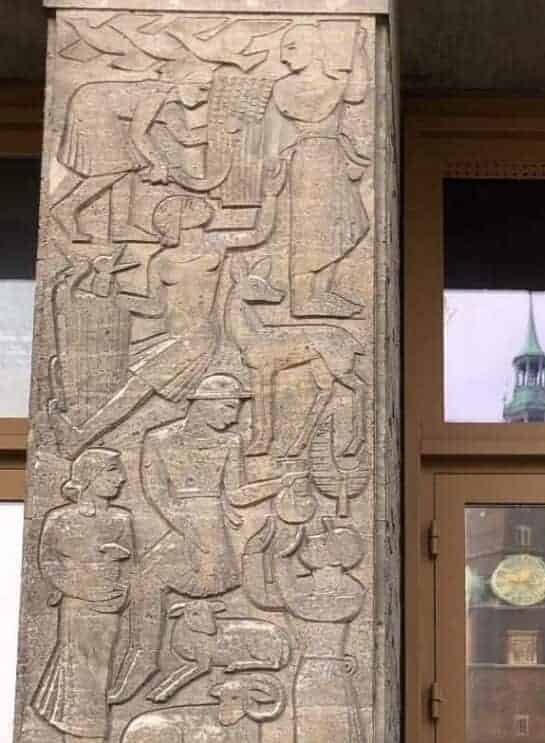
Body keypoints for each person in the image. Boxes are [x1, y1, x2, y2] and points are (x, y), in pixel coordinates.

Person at [48, 173, 285, 460]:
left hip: (197, 339)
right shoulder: (161, 261)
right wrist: (113, 293)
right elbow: (154, 308)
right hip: (171, 338)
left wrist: (271, 196)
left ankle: (79, 437)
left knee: (134, 394)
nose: (196, 204)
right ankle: (82, 438)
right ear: (177, 221)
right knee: (137, 396)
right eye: (187, 204)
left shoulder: (216, 248)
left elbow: (259, 234)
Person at [108, 374, 305, 703]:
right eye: (229, 407)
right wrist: (183, 523)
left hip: (212, 535)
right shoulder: (160, 439)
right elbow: (155, 489)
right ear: (204, 404)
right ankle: (142, 660)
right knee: (142, 579)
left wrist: (280, 482)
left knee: (149, 578)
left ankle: (152, 660)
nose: (234, 416)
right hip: (184, 525)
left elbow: (238, 494)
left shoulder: (230, 443)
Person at [269, 21, 371, 318]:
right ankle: (302, 300)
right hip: (308, 160)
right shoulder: (284, 87)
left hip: (333, 158)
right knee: (311, 229)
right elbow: (302, 116)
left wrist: (359, 49)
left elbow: (357, 91)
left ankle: (323, 293)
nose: (285, 56)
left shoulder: (335, 83)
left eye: (291, 47)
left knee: (344, 225)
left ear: (314, 48)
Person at [32, 448, 134, 742]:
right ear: (90, 476)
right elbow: (47, 562)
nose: (122, 479)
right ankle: (81, 734)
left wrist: (120, 592)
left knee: (99, 672)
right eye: (113, 471)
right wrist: (82, 589)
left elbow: (132, 570)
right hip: (77, 606)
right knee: (77, 671)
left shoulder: (121, 519)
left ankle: (90, 732)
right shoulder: (60, 518)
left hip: (109, 610)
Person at [52, 78, 211, 243]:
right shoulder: (156, 95)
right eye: (202, 89)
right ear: (185, 83)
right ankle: (66, 208)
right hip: (91, 103)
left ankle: (120, 228)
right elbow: (138, 134)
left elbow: (186, 137)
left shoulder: (172, 105)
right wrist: (159, 164)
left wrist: (222, 131)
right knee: (115, 166)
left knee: (127, 164)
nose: (203, 98)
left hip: (103, 108)